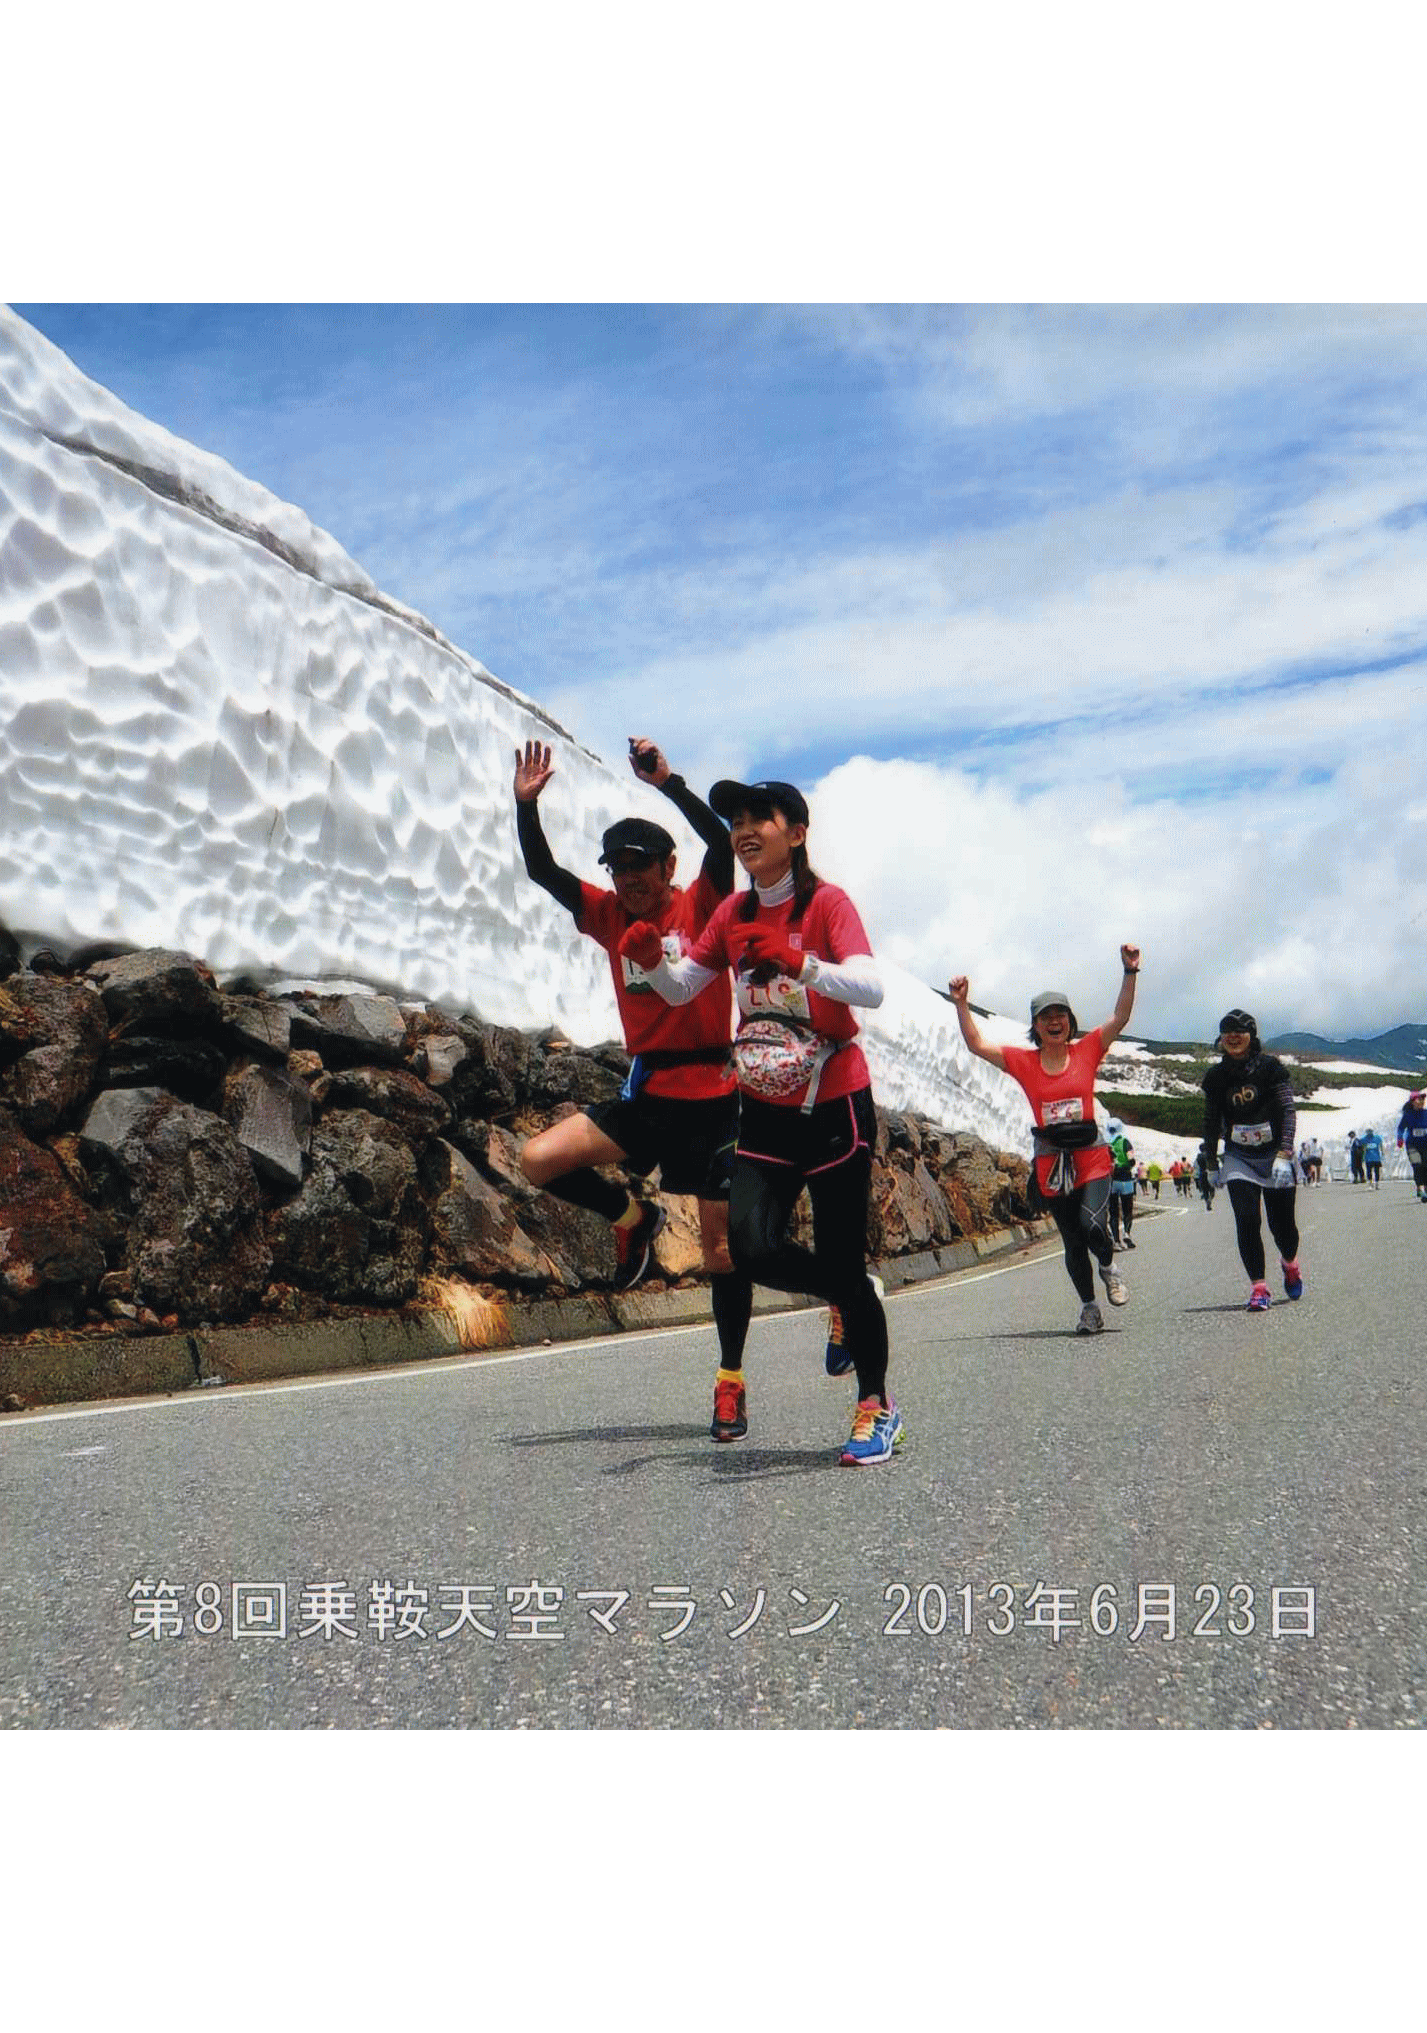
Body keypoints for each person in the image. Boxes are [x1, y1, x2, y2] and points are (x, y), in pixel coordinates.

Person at [621, 777, 899, 1465]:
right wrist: (653, 964)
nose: (744, 830)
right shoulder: (733, 911)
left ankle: (876, 1405)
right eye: (736, 821)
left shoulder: (826, 903)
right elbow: (685, 987)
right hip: (767, 1112)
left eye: (759, 818)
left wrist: (801, 964)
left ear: (796, 833)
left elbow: (871, 987)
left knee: (838, 1253)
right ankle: (850, 1294)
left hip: (834, 1106)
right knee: (749, 1247)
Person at [512, 737, 755, 1382]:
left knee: (720, 1250)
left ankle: (729, 1379)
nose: (627, 879)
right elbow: (543, 872)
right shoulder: (608, 915)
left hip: (715, 1101)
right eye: (617, 868)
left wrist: (668, 783)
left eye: (639, 866)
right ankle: (634, 1217)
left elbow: (720, 842)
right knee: (536, 1160)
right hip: (648, 1099)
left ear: (668, 866)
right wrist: (525, 806)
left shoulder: (703, 903)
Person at [948, 948, 1140, 1336]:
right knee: (1072, 1242)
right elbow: (976, 1045)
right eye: (1046, 1017)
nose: (1055, 1022)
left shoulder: (1088, 1050)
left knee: (1093, 1225)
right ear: (1035, 1026)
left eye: (1061, 1015)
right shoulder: (1024, 1062)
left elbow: (1120, 1017)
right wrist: (962, 1004)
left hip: (1092, 1157)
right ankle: (1089, 1309)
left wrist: (1130, 971)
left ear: (1070, 1022)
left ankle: (1109, 1267)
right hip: (1052, 1164)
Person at [1199, 1009, 1303, 1311]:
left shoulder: (1271, 1068)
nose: (1233, 1037)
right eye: (1227, 1031)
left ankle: (1290, 1263)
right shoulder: (1216, 1077)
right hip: (1239, 1157)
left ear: (1251, 1035)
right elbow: (1210, 1121)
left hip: (1274, 1155)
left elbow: (1287, 1110)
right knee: (1246, 1220)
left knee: (1282, 1226)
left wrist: (1285, 1152)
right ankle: (1259, 1287)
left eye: (1240, 1031)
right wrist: (1210, 1163)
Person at [1106, 1117, 1137, 1248]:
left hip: (1111, 1180)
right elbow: (1132, 1160)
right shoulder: (1125, 1142)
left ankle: (1116, 1241)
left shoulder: (1106, 1143)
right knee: (1127, 1209)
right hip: (1126, 1179)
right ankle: (1126, 1234)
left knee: (1113, 1212)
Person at [1397, 1092, 1427, 1201]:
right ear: (1413, 1102)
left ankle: (1425, 1188)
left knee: (1425, 1166)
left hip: (1425, 1145)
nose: (1421, 1102)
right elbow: (1401, 1128)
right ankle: (1421, 1189)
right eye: (1419, 1099)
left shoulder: (1426, 1113)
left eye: (1423, 1100)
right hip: (1412, 1145)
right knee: (1417, 1165)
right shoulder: (1408, 1115)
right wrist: (1400, 1138)